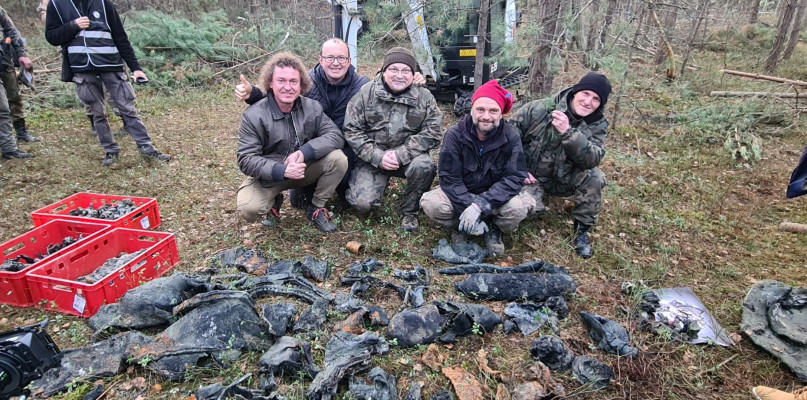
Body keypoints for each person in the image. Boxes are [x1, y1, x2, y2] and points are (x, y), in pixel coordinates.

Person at [236, 38, 370, 211]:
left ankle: (329, 201)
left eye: (341, 58)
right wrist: (253, 93)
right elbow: (278, 97)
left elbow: (384, 92)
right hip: (303, 154)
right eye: (330, 57)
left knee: (341, 161)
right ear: (320, 59)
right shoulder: (309, 81)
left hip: (335, 149)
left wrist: (414, 80)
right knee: (297, 202)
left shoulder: (363, 86)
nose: (335, 63)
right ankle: (279, 196)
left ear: (349, 61)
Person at [45, 0, 170, 166]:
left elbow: (120, 37)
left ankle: (146, 148)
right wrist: (73, 26)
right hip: (81, 68)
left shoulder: (105, 4)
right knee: (98, 113)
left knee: (127, 108)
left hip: (112, 66)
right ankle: (110, 151)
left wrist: (136, 68)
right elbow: (51, 36)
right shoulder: (56, 4)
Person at [235, 52, 347, 233]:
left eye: (293, 81)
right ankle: (273, 202)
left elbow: (335, 135)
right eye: (281, 81)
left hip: (304, 168)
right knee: (249, 208)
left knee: (338, 159)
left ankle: (316, 208)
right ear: (270, 83)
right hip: (271, 174)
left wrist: (305, 151)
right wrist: (281, 170)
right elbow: (246, 159)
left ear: (301, 85)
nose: (288, 87)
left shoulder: (312, 107)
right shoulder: (253, 115)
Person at [420, 80, 533, 254]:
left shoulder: (511, 136)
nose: (486, 116)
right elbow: (449, 178)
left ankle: (494, 229)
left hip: (495, 196)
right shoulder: (454, 135)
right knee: (431, 204)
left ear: (501, 113)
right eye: (480, 109)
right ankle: (462, 225)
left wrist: (480, 206)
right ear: (472, 109)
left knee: (517, 209)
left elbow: (515, 177)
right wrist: (467, 205)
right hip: (463, 193)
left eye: (493, 111)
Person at [509, 72, 611, 258]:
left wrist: (568, 133)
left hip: (563, 179)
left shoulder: (597, 124)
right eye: (585, 94)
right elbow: (507, 137)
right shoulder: (539, 109)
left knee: (595, 177)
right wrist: (517, 168)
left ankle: (581, 231)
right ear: (575, 91)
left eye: (596, 99)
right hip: (530, 177)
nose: (588, 102)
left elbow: (592, 159)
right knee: (521, 212)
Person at [342, 47, 443, 232]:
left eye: (406, 71)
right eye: (394, 69)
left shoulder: (424, 97)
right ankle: (375, 189)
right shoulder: (366, 93)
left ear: (413, 75)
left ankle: (410, 211)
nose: (400, 75)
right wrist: (377, 156)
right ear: (384, 71)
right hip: (373, 158)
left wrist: (401, 154)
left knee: (424, 166)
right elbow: (352, 130)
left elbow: (433, 132)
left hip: (409, 157)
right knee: (361, 205)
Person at [0, 6, 33, 160]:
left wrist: (20, 54)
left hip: (4, 60)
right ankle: (8, 147)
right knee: (2, 108)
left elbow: (10, 30)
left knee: (13, 97)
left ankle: (21, 133)